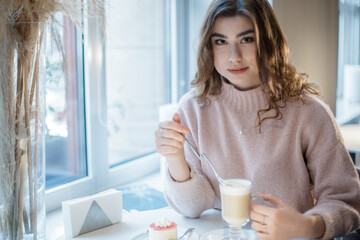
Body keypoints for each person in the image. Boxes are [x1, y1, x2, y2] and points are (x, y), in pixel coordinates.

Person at [154, 0, 360, 239]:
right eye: (221, 41)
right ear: (209, 48)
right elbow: (193, 208)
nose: (234, 56)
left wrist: (308, 225)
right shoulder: (193, 109)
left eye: (246, 39)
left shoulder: (308, 111)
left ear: (268, 42)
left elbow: (348, 201)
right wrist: (175, 158)